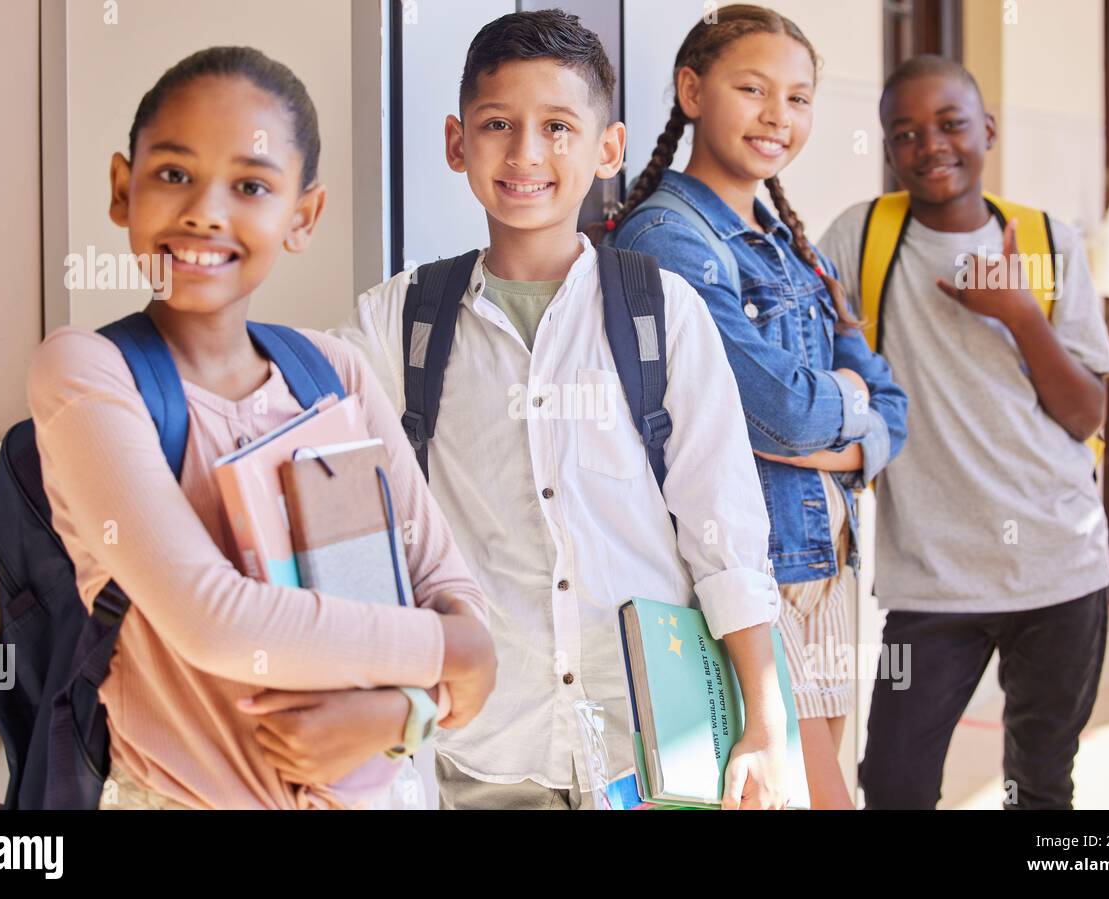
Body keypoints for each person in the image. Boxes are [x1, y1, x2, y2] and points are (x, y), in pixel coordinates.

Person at [338, 9, 791, 810]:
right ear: (456, 141)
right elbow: (346, 531)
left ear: (606, 148)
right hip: (479, 754)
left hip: (651, 749)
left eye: (557, 127)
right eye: (497, 125)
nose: (524, 154)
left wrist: (765, 721)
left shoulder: (662, 312)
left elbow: (723, 529)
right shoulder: (395, 321)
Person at [27, 46, 496, 810]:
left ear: (302, 216)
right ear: (123, 188)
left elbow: (448, 588)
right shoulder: (87, 372)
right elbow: (217, 621)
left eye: (250, 185)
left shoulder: (332, 372)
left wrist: (401, 709)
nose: (207, 210)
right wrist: (456, 653)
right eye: (174, 173)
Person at [609, 5, 908, 809]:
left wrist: (844, 430)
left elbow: (892, 405)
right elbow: (779, 412)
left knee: (812, 788)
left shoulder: (783, 239)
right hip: (756, 573)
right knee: (810, 796)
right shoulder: (669, 239)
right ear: (692, 89)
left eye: (801, 98)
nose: (780, 116)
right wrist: (848, 419)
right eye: (753, 88)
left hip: (827, 565)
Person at [819, 55, 1109, 809]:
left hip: (1059, 567)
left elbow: (1086, 413)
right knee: (893, 781)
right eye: (906, 133)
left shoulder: (1048, 240)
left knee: (1041, 783)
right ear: (888, 148)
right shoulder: (862, 237)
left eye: (951, 124)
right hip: (929, 580)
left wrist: (1017, 311)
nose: (931, 146)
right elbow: (812, 352)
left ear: (986, 130)